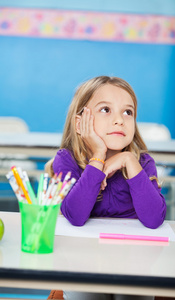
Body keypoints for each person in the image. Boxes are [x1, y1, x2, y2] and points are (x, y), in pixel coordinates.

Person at [46, 75, 166, 300]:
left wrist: (128, 160)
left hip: (135, 261)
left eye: (127, 112)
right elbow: (75, 215)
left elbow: (154, 219)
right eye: (105, 110)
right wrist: (98, 157)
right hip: (82, 260)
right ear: (80, 122)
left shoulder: (142, 163)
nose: (120, 120)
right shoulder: (67, 160)